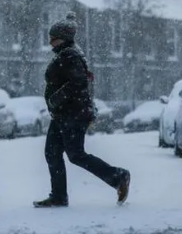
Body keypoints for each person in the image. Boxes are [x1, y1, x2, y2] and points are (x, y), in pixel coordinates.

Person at [33, 12, 131, 208]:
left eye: (53, 38)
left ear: (62, 38)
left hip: (72, 114)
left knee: (76, 154)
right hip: (63, 114)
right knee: (52, 153)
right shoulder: (67, 54)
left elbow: (77, 83)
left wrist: (54, 99)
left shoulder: (70, 55)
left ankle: (118, 176)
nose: (50, 41)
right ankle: (59, 196)